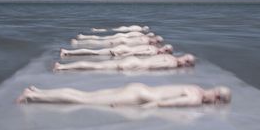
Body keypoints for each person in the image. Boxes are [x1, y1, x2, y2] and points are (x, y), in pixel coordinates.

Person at [16, 82, 231, 107]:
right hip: (137, 96)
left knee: (85, 94)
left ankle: (38, 91)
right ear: (217, 97)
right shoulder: (195, 98)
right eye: (217, 102)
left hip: (138, 87)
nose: (213, 104)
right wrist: (136, 109)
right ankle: (32, 96)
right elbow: (163, 104)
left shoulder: (196, 87)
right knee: (83, 99)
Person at [54, 54, 195, 72]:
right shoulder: (172, 64)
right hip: (134, 65)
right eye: (188, 63)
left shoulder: (168, 56)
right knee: (96, 66)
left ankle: (63, 66)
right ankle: (62, 67)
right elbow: (150, 67)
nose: (186, 65)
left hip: (133, 60)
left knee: (98, 65)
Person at [60, 44, 174, 58]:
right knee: (94, 52)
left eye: (166, 51)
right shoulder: (153, 52)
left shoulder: (152, 47)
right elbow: (137, 53)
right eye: (166, 50)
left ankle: (68, 52)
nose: (164, 51)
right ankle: (67, 52)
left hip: (123, 47)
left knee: (94, 52)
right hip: (122, 51)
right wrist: (122, 56)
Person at [70, 35, 163, 47]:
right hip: (119, 40)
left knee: (99, 42)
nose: (156, 42)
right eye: (157, 40)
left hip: (119, 42)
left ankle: (80, 41)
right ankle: (80, 41)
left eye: (158, 42)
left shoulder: (147, 43)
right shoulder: (145, 38)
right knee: (100, 41)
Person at [76, 31, 156, 40]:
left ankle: (83, 36)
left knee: (102, 38)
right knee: (101, 38)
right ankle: (83, 37)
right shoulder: (141, 36)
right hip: (121, 36)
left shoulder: (140, 33)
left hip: (121, 35)